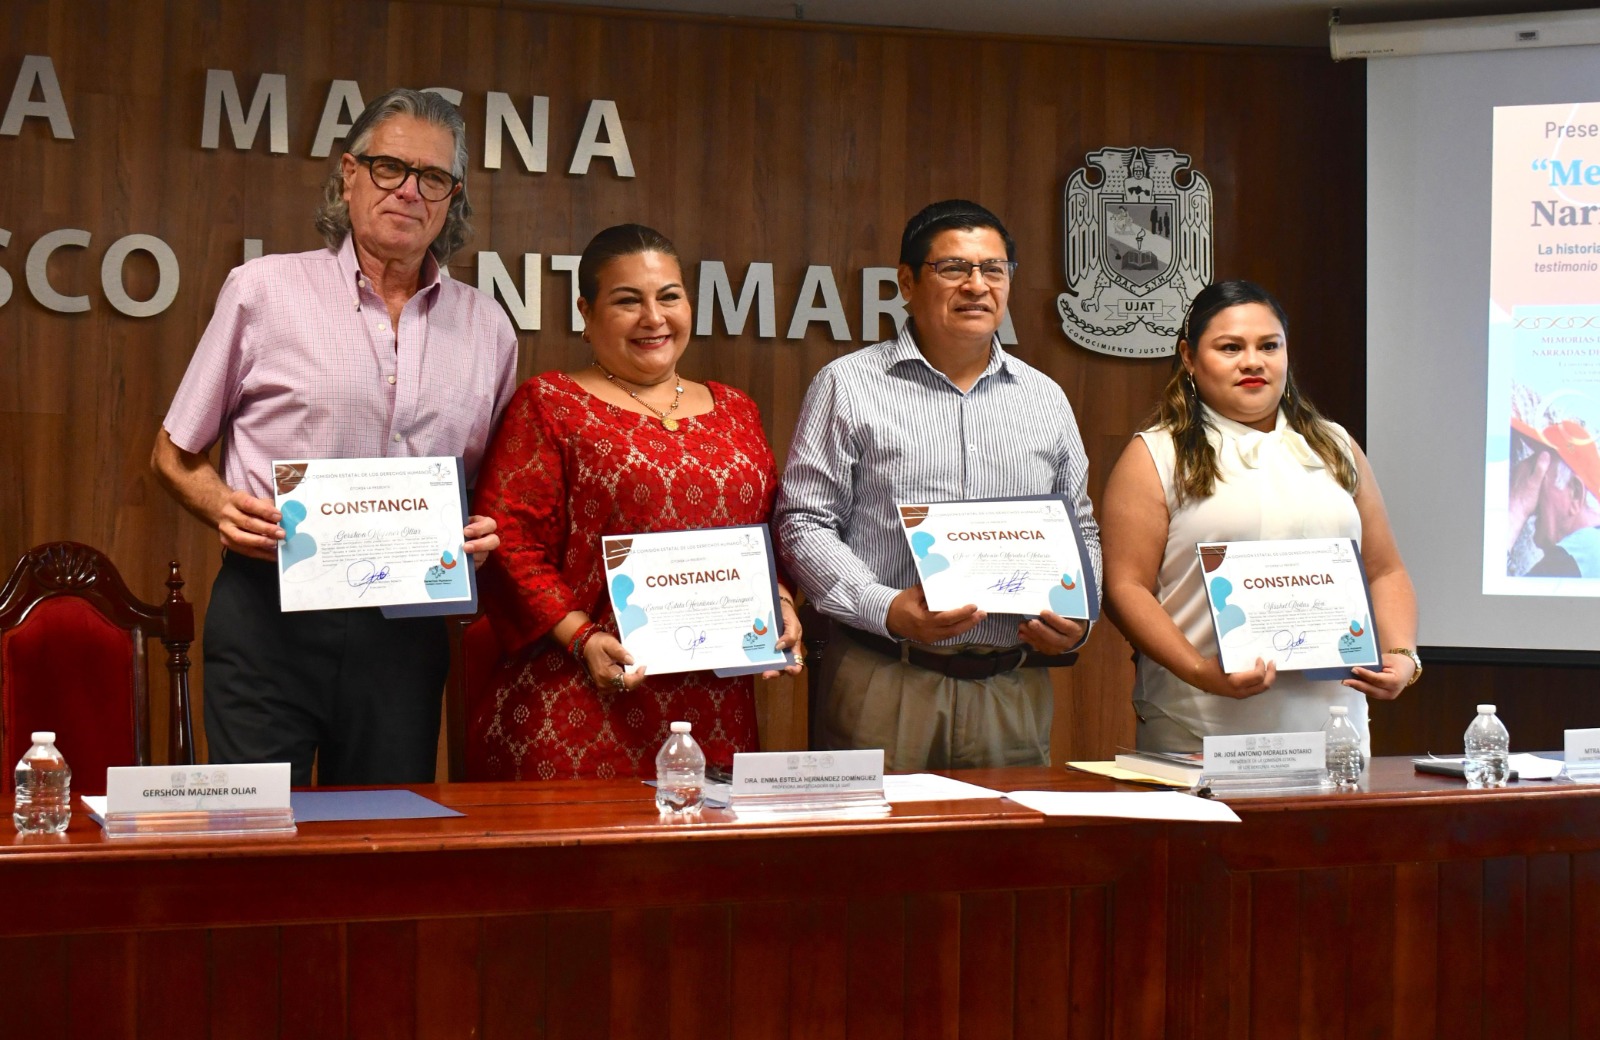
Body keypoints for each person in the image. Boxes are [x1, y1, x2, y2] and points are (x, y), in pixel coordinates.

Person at [152, 88, 518, 785]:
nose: (409, 190)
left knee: (382, 853)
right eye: (389, 167)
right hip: (270, 617)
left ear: (451, 198)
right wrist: (219, 504)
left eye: (432, 177)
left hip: (406, 633)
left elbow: (487, 490)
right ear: (349, 174)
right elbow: (171, 453)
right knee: (255, 843)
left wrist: (483, 529)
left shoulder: (489, 329)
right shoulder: (261, 291)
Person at [466, 224, 802, 781]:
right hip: (580, 696)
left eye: (669, 297)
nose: (654, 318)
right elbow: (511, 543)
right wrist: (582, 637)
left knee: (704, 865)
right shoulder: (549, 404)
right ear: (586, 310)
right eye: (628, 301)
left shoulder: (736, 409)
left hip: (716, 707)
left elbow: (770, 531)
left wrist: (783, 604)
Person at [775, 199, 1101, 771]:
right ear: (906, 281)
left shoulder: (1045, 398)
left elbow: (1081, 527)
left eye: (993, 269)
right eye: (953, 268)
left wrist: (1077, 620)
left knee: (1004, 856)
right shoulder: (848, 386)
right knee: (876, 856)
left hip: (1012, 688)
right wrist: (887, 607)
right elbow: (804, 522)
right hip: (889, 676)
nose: (977, 285)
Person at [1100, 279, 1419, 752]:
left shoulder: (1336, 446)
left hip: (1333, 726)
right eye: (1230, 347)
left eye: (1269, 345)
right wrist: (1197, 670)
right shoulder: (1156, 454)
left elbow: (1385, 569)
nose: (1253, 361)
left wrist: (1402, 656)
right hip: (1201, 722)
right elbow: (1125, 587)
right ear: (1189, 357)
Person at [1507, 417, 1600, 577]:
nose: (1529, 482)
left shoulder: (1579, 555)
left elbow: (1481, 596)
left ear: (1575, 493)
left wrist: (1516, 510)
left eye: (1539, 471)